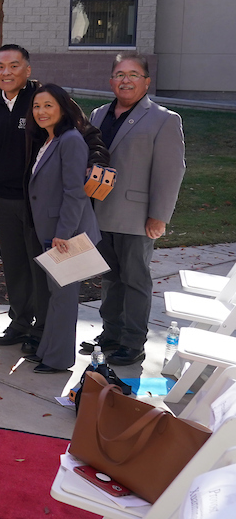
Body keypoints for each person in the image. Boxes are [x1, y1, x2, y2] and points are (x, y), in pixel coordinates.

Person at [85, 54, 186, 367]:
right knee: (110, 279)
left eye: (132, 74)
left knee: (135, 280)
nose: (125, 80)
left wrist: (160, 216)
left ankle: (133, 342)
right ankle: (110, 334)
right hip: (100, 212)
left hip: (136, 217)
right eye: (119, 74)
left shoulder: (164, 119)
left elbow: (171, 171)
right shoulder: (99, 114)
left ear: (146, 81)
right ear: (111, 80)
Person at [25, 84, 100, 373]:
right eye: (36, 106)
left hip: (66, 234)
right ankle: (47, 350)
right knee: (56, 296)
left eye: (48, 106)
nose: (41, 112)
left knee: (64, 298)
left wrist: (63, 233)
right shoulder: (50, 139)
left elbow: (75, 192)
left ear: (63, 108)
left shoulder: (70, 140)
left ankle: (58, 360)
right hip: (53, 231)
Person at [0, 44, 44, 348]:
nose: (6, 72)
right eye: (1, 66)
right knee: (15, 265)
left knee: (39, 267)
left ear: (27, 70)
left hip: (37, 203)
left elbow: (83, 133)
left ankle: (42, 330)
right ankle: (19, 323)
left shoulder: (44, 100)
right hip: (3, 201)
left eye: (14, 66)